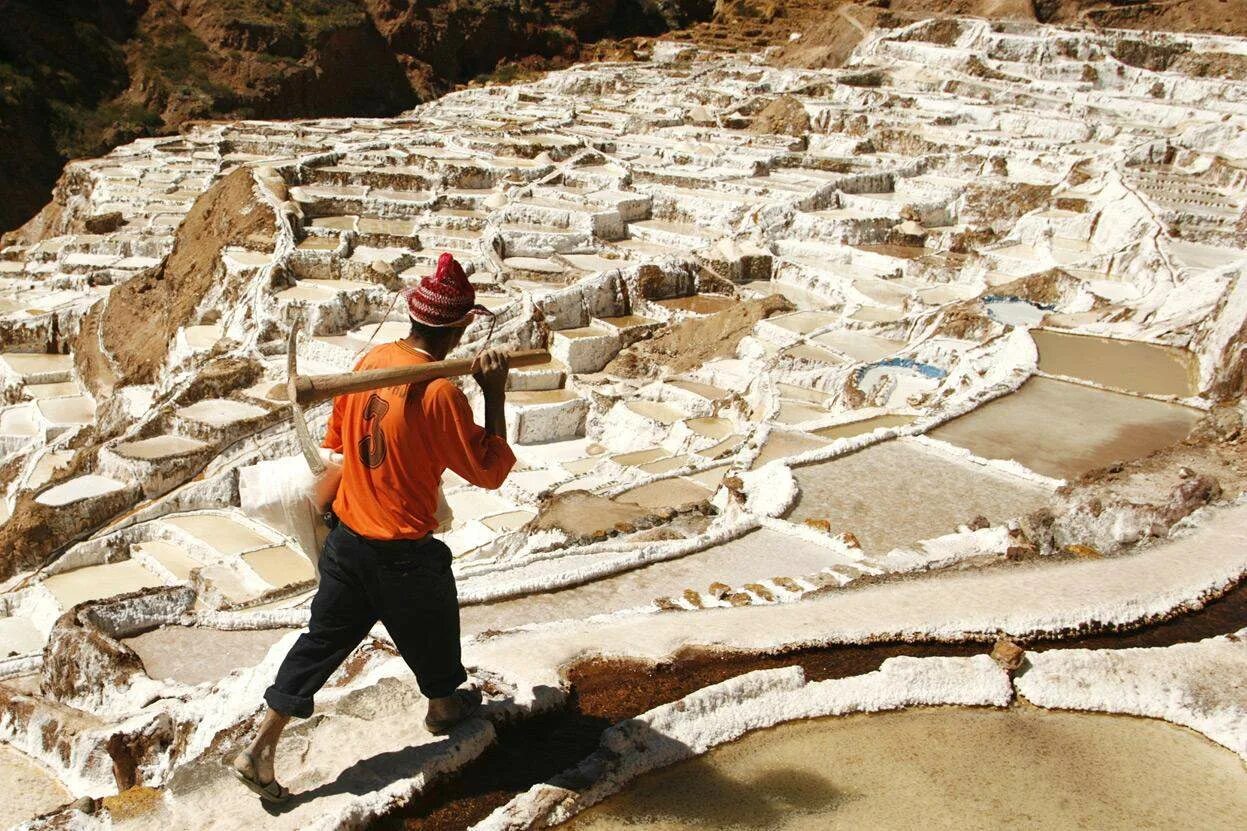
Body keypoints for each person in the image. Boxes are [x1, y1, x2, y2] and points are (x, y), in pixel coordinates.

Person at [231, 252, 515, 803]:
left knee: (321, 643)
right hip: (400, 552)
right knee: (434, 614)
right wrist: (494, 391)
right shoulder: (440, 392)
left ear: (414, 318)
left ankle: (260, 747)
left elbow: (338, 444)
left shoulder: (372, 362)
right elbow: (491, 471)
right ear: (458, 328)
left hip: (347, 542)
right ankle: (442, 704)